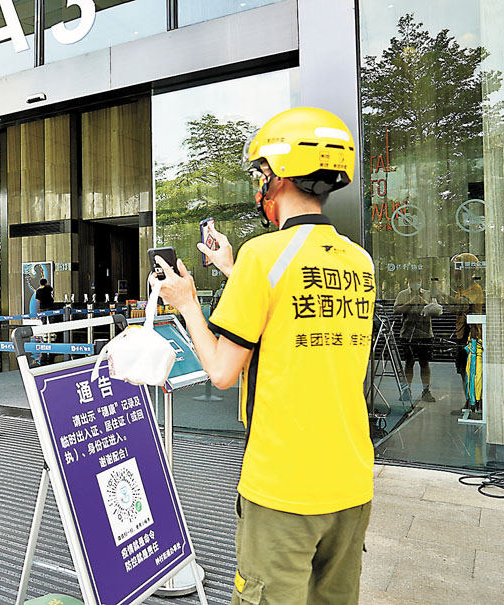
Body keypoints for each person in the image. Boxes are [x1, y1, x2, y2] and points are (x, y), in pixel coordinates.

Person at [153, 107, 375, 605]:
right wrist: (234, 270)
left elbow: (222, 371)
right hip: (352, 481)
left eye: (260, 172)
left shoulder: (263, 255)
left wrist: (187, 303)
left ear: (276, 175)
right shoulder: (360, 262)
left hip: (283, 487)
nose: (259, 183)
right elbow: (295, 319)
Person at [433, 253, 484, 415]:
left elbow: (462, 306)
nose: (455, 273)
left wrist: (442, 295)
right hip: (462, 335)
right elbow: (455, 308)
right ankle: (468, 402)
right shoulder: (462, 289)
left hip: (472, 336)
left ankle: (475, 403)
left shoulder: (475, 289)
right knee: (463, 370)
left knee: (471, 370)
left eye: (458, 268)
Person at [393, 270, 441, 403]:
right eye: (413, 281)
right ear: (409, 281)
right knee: (409, 363)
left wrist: (424, 302)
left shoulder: (427, 294)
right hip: (408, 334)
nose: (416, 283)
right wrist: (409, 303)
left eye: (418, 280)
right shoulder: (402, 294)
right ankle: (406, 391)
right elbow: (396, 310)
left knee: (424, 363)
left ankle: (426, 391)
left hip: (425, 334)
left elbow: (437, 311)